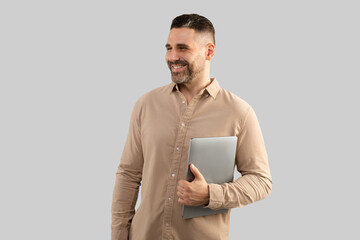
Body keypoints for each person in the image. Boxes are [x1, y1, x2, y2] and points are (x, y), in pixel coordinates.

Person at [111, 13, 272, 240]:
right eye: (169, 48)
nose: (172, 57)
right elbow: (128, 174)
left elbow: (261, 181)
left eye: (182, 48)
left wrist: (210, 194)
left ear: (209, 52)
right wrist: (118, 234)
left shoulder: (239, 112)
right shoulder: (146, 104)